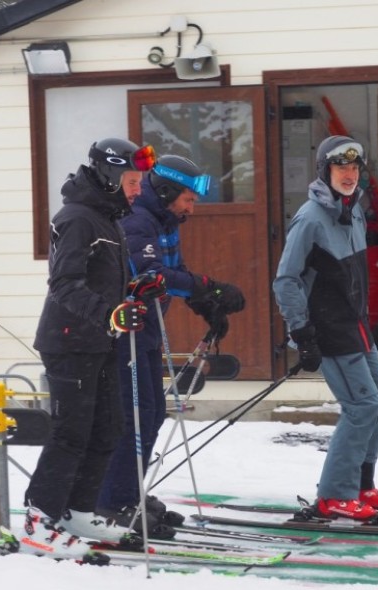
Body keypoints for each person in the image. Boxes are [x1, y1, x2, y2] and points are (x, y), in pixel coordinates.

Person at [22, 137, 158, 557]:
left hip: (98, 340)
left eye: (140, 182)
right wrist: (109, 313)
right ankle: (38, 519)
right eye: (132, 181)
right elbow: (64, 284)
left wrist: (133, 290)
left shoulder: (107, 218)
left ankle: (76, 510)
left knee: (107, 427)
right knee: (71, 432)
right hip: (69, 341)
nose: (138, 190)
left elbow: (99, 280)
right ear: (110, 176)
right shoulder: (77, 218)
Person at [96, 154, 246, 531]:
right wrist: (210, 287)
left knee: (151, 414)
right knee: (135, 416)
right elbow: (151, 274)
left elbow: (175, 273)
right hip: (124, 331)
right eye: (188, 200)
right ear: (166, 192)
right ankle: (111, 501)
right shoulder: (138, 220)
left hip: (147, 329)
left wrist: (205, 304)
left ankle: (128, 490)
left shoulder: (164, 220)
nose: (191, 208)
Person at [272, 135, 378, 522]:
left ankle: (360, 484)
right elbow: (286, 280)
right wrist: (302, 333)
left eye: (354, 167)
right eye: (340, 167)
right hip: (329, 328)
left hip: (355, 324)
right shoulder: (311, 218)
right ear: (324, 171)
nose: (349, 174)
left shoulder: (353, 209)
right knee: (361, 406)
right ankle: (333, 495)